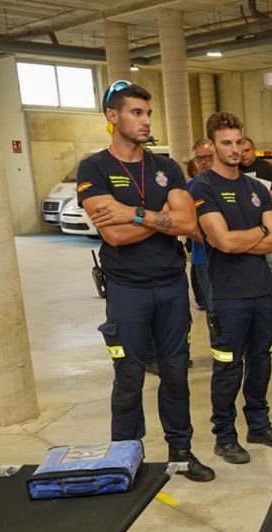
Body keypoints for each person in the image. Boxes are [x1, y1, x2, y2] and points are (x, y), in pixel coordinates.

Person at [77, 80, 213, 482]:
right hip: (126, 289)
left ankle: (182, 452)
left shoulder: (166, 167)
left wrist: (134, 214)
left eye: (148, 113)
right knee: (130, 376)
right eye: (137, 113)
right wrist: (160, 218)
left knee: (175, 373)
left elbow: (189, 224)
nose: (145, 120)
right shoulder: (94, 167)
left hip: (171, 286)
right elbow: (112, 235)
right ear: (112, 117)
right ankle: (124, 457)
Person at [192, 111, 272, 464]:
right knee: (228, 367)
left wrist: (246, 238)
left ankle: (259, 425)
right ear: (212, 146)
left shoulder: (256, 188)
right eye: (226, 143)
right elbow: (222, 242)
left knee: (262, 361)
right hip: (227, 296)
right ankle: (225, 435)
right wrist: (259, 234)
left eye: (238, 142)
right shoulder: (202, 187)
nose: (234, 149)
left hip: (262, 291)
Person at [186, 138, 215, 311]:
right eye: (200, 159)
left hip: (234, 256)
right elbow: (185, 223)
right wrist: (213, 239)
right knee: (213, 311)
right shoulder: (188, 188)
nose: (204, 162)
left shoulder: (234, 184)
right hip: (203, 256)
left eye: (209, 157)